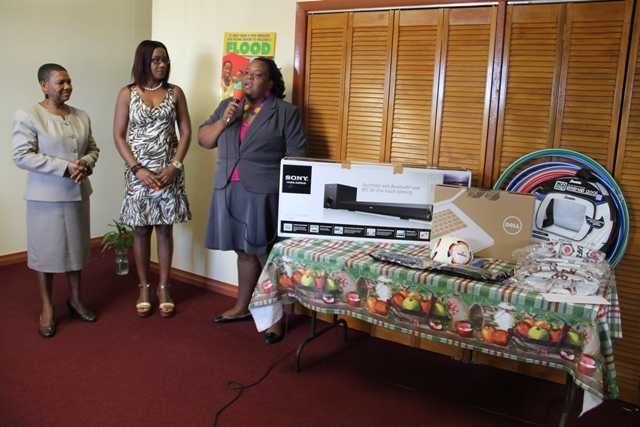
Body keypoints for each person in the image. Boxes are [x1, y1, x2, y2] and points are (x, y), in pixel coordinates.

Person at [198, 57, 308, 344]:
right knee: (243, 251)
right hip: (227, 188)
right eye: (246, 73)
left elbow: (298, 158)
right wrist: (225, 120)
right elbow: (204, 140)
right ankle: (242, 307)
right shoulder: (227, 107)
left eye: (257, 75)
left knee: (265, 254)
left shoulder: (285, 112)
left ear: (269, 83)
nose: (248, 78)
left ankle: (274, 319)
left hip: (263, 192)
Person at [12, 63, 100, 338]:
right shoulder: (28, 115)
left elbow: (93, 149)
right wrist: (65, 166)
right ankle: (48, 308)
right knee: (45, 255)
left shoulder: (81, 116)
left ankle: (75, 300)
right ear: (43, 85)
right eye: (60, 82)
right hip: (45, 198)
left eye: (69, 82)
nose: (67, 87)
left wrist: (84, 163)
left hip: (76, 194)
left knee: (76, 252)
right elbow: (21, 155)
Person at [113, 40, 192, 318]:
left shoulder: (175, 92)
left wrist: (174, 166)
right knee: (141, 230)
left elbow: (185, 133)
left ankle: (163, 288)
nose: (162, 65)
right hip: (138, 174)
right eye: (156, 60)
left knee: (165, 229)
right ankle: (144, 287)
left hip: (168, 172)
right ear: (143, 61)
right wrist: (138, 169)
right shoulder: (127, 93)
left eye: (165, 60)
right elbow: (119, 136)